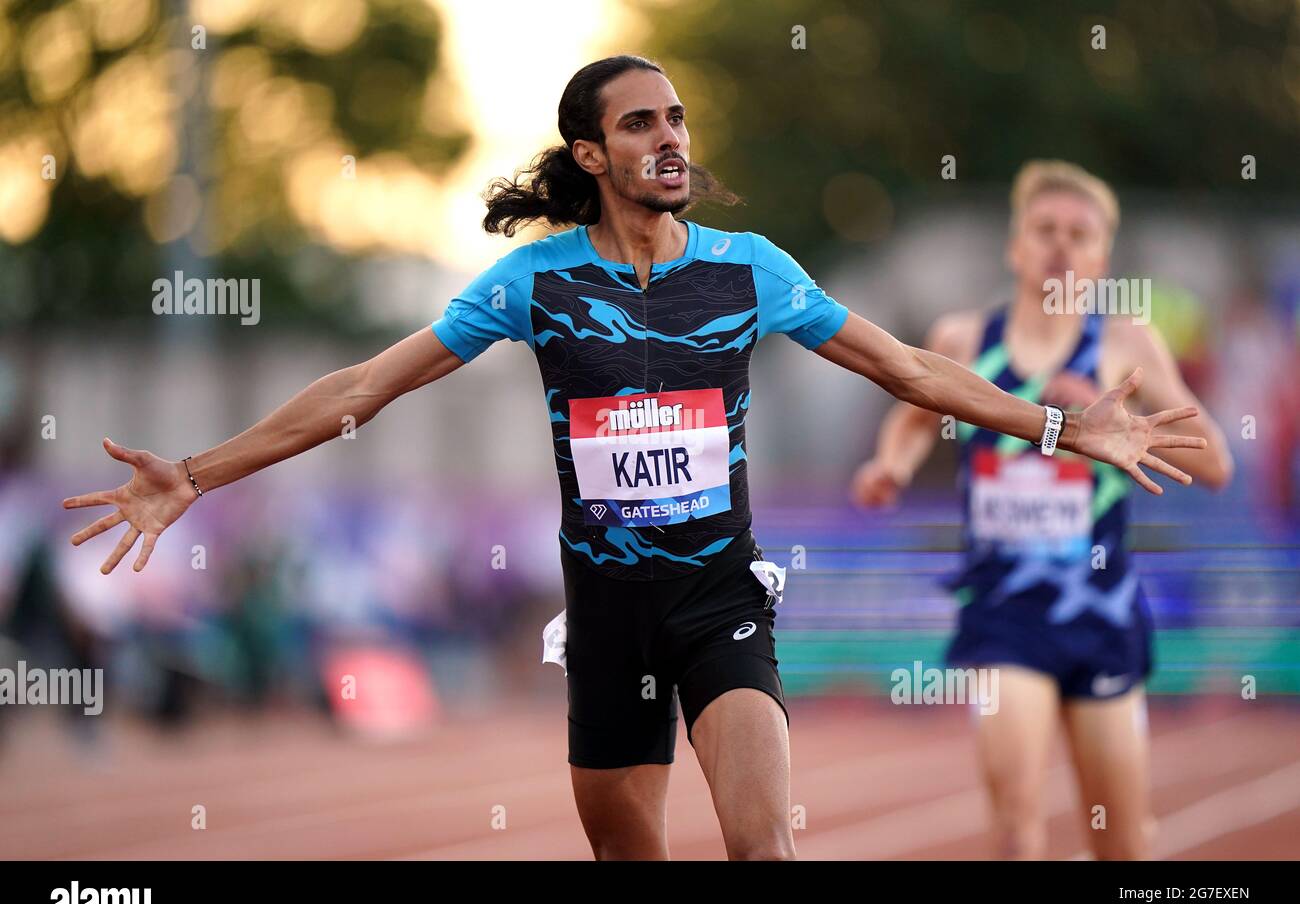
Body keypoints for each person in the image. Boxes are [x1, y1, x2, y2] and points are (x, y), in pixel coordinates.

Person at [65, 59, 1207, 861]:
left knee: (764, 847)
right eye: (643, 125)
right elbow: (363, 388)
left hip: (721, 601)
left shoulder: (750, 267)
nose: (672, 140)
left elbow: (909, 368)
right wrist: (197, 473)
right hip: (607, 615)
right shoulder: (534, 282)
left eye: (678, 120)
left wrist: (1057, 427)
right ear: (591, 153)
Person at [851, 160, 1233, 859]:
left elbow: (1214, 463)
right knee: (1017, 824)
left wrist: (1124, 413)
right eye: (1045, 229)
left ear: (1101, 256)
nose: (1061, 244)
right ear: (1016, 247)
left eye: (1079, 233)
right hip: (1004, 613)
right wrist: (890, 466)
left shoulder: (1127, 345)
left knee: (1122, 841)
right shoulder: (964, 339)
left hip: (1102, 612)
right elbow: (911, 416)